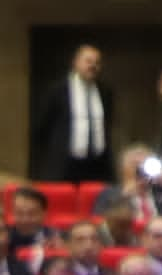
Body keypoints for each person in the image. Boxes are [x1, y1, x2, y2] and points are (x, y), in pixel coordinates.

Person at [35, 42, 117, 186]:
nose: (93, 66)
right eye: (88, 61)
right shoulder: (58, 91)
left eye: (97, 63)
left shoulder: (105, 92)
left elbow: (108, 124)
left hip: (96, 165)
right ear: (75, 62)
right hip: (65, 164)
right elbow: (42, 126)